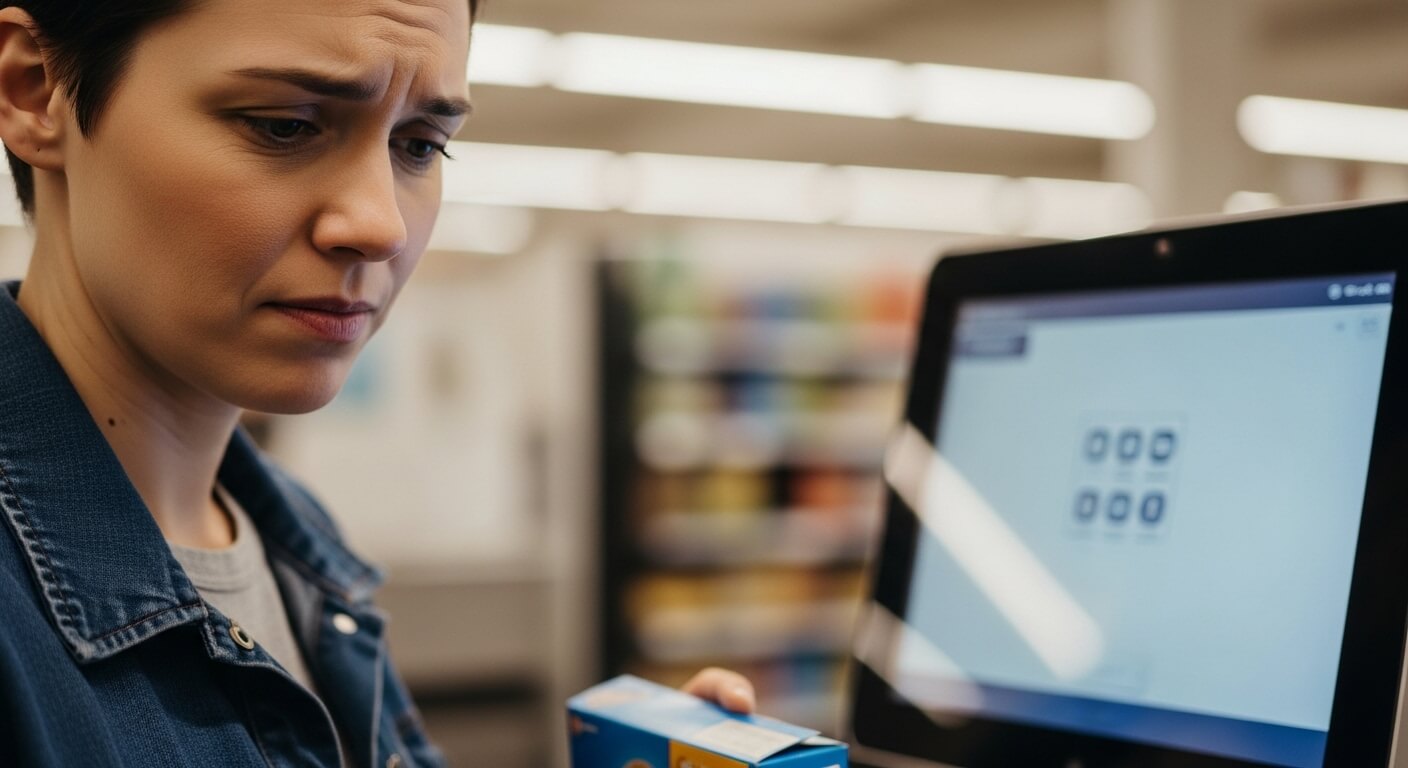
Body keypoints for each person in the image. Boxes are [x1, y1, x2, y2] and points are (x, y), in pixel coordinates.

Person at [0, 1, 755, 766]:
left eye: (421, 146)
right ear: (34, 89)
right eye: (283, 124)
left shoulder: (295, 537)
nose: (380, 224)